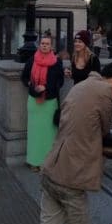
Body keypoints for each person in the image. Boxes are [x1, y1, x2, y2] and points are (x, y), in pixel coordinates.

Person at [37, 62, 112, 224]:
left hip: (52, 167)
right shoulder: (105, 92)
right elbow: (104, 130)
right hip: (72, 176)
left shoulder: (82, 85)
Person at [21, 36, 66, 170]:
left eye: (47, 44)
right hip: (34, 101)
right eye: (42, 43)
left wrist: (46, 87)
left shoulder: (57, 62)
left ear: (51, 46)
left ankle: (47, 162)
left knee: (49, 134)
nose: (44, 46)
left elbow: (60, 81)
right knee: (34, 133)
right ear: (39, 45)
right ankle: (34, 161)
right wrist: (31, 84)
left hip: (50, 101)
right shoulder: (32, 60)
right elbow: (24, 77)